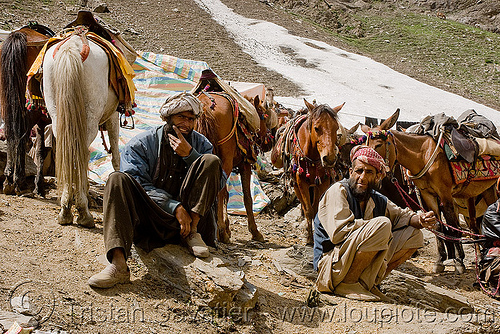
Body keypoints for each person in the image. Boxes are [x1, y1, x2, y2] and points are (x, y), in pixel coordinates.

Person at [88, 91, 225, 289]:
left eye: (190, 119)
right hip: (150, 218)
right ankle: (118, 265)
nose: (186, 124)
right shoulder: (142, 144)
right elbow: (137, 181)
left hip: (189, 222)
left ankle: (192, 233)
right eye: (180, 118)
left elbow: (218, 182)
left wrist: (190, 155)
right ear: (168, 118)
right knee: (116, 179)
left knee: (210, 161)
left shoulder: (202, 145)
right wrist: (174, 206)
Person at [313, 145, 437, 301]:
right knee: (383, 225)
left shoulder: (376, 198)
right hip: (332, 265)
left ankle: (368, 283)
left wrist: (420, 219)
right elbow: (339, 234)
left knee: (414, 235)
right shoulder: (338, 191)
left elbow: (401, 215)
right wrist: (373, 227)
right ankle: (348, 283)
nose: (362, 177)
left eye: (369, 172)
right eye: (359, 171)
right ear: (351, 172)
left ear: (378, 177)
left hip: (349, 260)